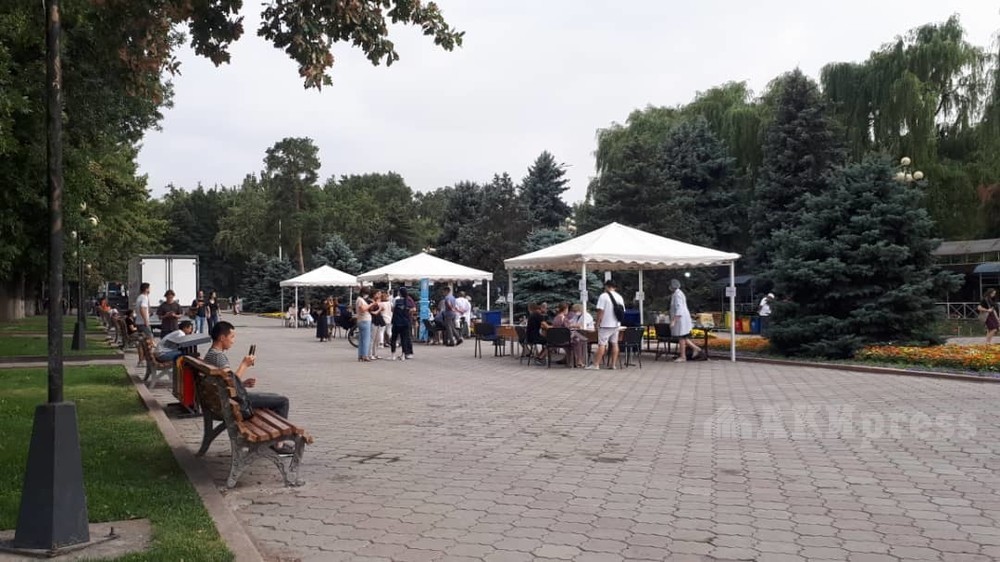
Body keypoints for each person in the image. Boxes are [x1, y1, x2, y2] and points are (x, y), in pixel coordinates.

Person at [204, 321, 294, 454]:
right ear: (222, 338)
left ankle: (272, 440)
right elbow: (230, 383)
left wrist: (243, 383)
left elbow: (227, 382)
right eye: (232, 337)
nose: (233, 341)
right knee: (282, 401)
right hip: (231, 403)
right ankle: (278, 445)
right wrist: (244, 365)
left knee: (274, 397)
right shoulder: (219, 357)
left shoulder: (211, 354)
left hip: (223, 400)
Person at [588, 280, 624, 370]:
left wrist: (597, 323)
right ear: (615, 287)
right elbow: (623, 311)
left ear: (606, 286)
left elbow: (600, 311)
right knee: (615, 344)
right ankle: (613, 364)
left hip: (605, 324)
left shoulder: (603, 296)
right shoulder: (619, 297)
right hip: (616, 324)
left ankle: (596, 364)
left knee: (602, 344)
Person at [669, 278, 704, 361]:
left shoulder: (677, 295)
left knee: (681, 337)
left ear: (672, 286)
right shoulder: (678, 293)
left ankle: (683, 356)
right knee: (683, 337)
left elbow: (679, 308)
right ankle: (696, 349)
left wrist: (673, 321)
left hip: (681, 319)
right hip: (682, 318)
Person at [390, 287, 415, 360]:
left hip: (396, 322)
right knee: (404, 339)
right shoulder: (408, 300)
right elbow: (413, 309)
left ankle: (393, 355)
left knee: (394, 338)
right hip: (405, 322)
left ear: (400, 293)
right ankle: (403, 355)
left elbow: (392, 309)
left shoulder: (397, 300)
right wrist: (408, 311)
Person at [569, 303, 595, 368]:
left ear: (579, 310)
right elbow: (570, 322)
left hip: (588, 334)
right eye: (574, 311)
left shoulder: (587, 316)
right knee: (575, 341)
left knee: (577, 341)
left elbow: (583, 325)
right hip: (580, 333)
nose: (575, 313)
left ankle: (580, 361)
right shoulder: (576, 316)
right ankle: (574, 360)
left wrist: (573, 325)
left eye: (575, 311)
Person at [355, 287, 375, 361]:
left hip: (362, 320)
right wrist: (371, 305)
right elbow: (363, 309)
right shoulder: (360, 300)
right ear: (363, 293)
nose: (367, 295)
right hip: (365, 320)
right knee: (366, 339)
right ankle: (365, 355)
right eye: (367, 294)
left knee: (362, 339)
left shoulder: (360, 299)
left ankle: (361, 355)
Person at [369, 291, 386, 360]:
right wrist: (379, 309)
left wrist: (380, 308)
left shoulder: (376, 302)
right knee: (372, 338)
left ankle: (375, 354)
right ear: (374, 295)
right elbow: (373, 312)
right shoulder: (370, 302)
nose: (379, 295)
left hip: (378, 321)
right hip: (374, 320)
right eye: (378, 294)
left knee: (377, 339)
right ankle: (370, 354)